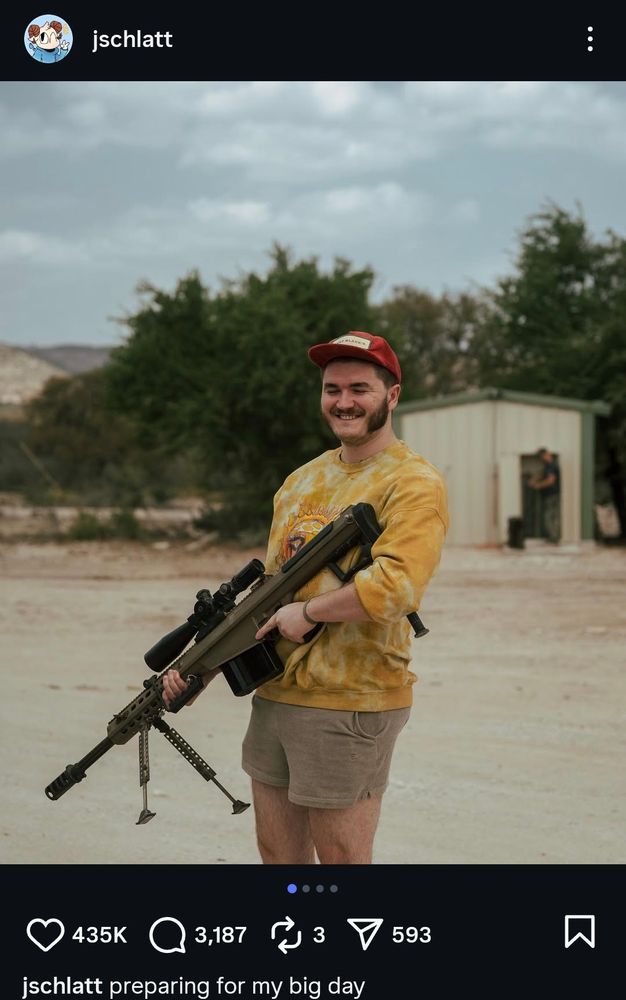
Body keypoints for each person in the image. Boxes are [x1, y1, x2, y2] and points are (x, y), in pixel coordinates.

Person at [162, 331, 448, 863]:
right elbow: (266, 597)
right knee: (280, 857)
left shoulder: (413, 482)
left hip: (350, 698)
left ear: (392, 395)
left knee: (341, 862)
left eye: (360, 388)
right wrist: (200, 669)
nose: (343, 401)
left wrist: (310, 612)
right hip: (277, 694)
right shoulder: (301, 480)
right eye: (332, 388)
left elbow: (396, 585)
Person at [529, 447, 561, 544]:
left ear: (545, 455)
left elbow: (551, 480)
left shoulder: (551, 466)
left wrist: (539, 485)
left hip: (552, 495)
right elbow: (542, 475)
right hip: (551, 495)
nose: (541, 459)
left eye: (541, 457)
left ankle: (554, 537)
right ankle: (553, 537)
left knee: (550, 516)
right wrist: (534, 479)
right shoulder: (548, 466)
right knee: (552, 516)